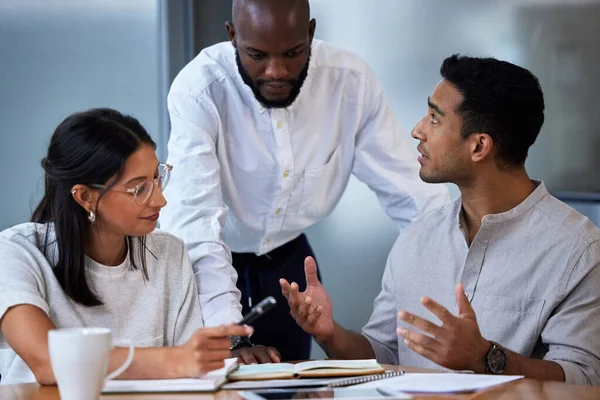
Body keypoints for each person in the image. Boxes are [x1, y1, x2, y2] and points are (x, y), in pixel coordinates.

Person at [281, 55, 600, 385]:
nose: (417, 130)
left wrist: (485, 357)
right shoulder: (418, 236)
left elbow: (586, 379)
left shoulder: (578, 249)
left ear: (479, 146)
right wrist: (330, 334)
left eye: (434, 118)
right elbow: (384, 354)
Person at [160, 0, 449, 361]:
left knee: (292, 384)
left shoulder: (350, 83)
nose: (276, 71)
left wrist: (460, 275)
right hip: (208, 262)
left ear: (311, 33)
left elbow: (415, 197)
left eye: (294, 53)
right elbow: (195, 223)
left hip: (290, 267)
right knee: (219, 384)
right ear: (232, 36)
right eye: (257, 54)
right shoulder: (199, 89)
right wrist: (230, 337)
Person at [0, 108, 266, 385]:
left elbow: (194, 377)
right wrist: (175, 359)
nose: (160, 200)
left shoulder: (168, 253)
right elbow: (48, 363)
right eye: (139, 189)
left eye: (157, 177)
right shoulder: (16, 252)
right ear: (85, 197)